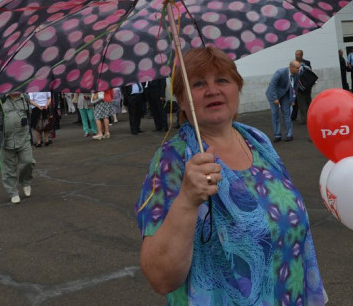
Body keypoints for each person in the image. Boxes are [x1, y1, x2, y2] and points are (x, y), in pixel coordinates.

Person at [135, 46, 326, 304]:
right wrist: (187, 200)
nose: (212, 90)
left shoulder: (257, 140)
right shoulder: (172, 160)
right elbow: (160, 277)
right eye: (198, 83)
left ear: (238, 87)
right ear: (181, 99)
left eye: (222, 80)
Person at [0, 93, 35, 205]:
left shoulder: (25, 98)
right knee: (8, 168)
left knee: (28, 161)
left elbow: (28, 116)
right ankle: (13, 192)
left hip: (24, 137)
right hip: (5, 140)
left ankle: (25, 181)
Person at [265, 60, 301, 142]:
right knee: (275, 114)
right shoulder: (280, 72)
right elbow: (272, 85)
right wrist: (275, 98)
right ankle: (277, 135)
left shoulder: (297, 74)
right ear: (291, 68)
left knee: (287, 113)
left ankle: (289, 135)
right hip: (273, 94)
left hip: (285, 94)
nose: (299, 70)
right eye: (297, 68)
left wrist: (293, 99)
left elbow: (295, 87)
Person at [291, 49, 315, 124]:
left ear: (301, 55)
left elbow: (310, 73)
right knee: (301, 103)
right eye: (296, 54)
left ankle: (311, 117)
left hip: (307, 85)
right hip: (298, 86)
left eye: (298, 54)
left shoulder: (307, 63)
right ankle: (304, 119)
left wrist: (310, 85)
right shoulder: (293, 63)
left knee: (308, 101)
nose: (296, 56)